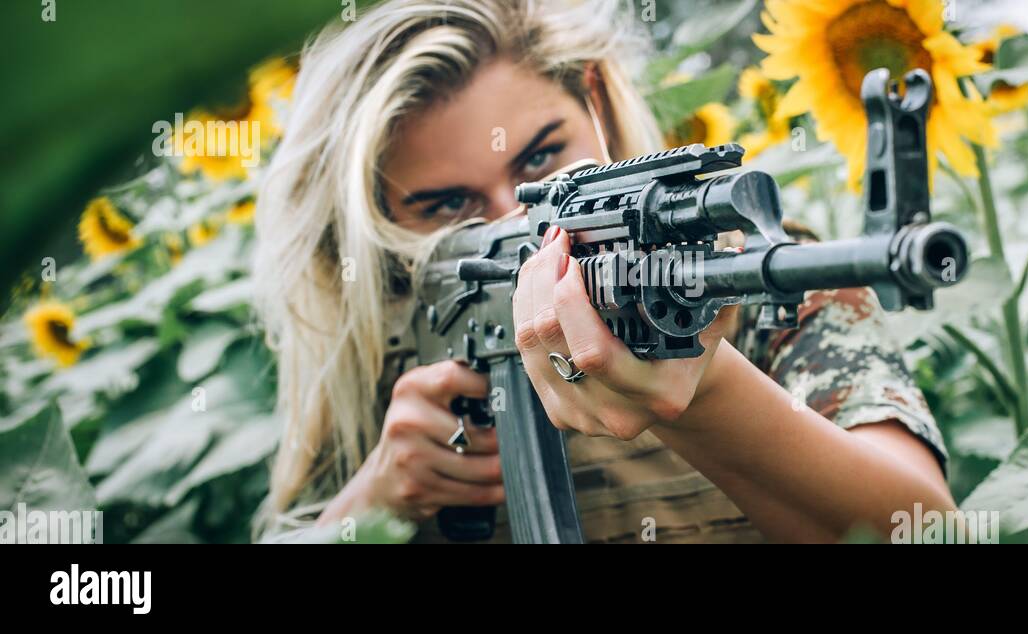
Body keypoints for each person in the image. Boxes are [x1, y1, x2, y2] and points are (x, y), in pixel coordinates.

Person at [253, 0, 955, 544]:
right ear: (379, 223)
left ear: (593, 96)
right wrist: (375, 502)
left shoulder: (748, 273)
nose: (516, 224)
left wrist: (709, 396)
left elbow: (926, 530)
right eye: (450, 207)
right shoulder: (380, 351)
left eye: (538, 162)